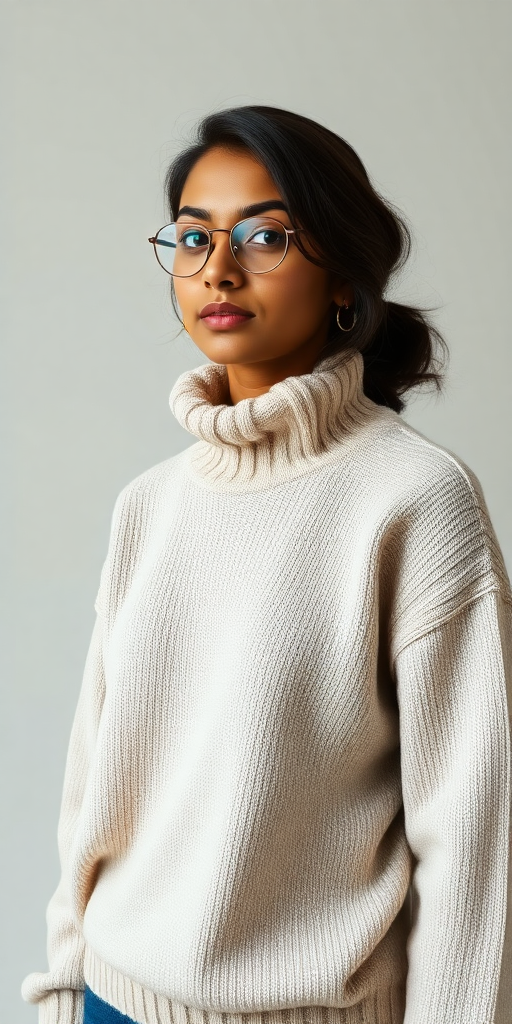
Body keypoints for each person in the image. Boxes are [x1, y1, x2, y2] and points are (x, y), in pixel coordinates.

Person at [21, 105, 512, 1024]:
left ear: (343, 278)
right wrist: (60, 992)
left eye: (267, 234)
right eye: (195, 237)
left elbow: (477, 839)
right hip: (113, 1004)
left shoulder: (413, 499)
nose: (218, 267)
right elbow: (96, 790)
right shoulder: (151, 506)